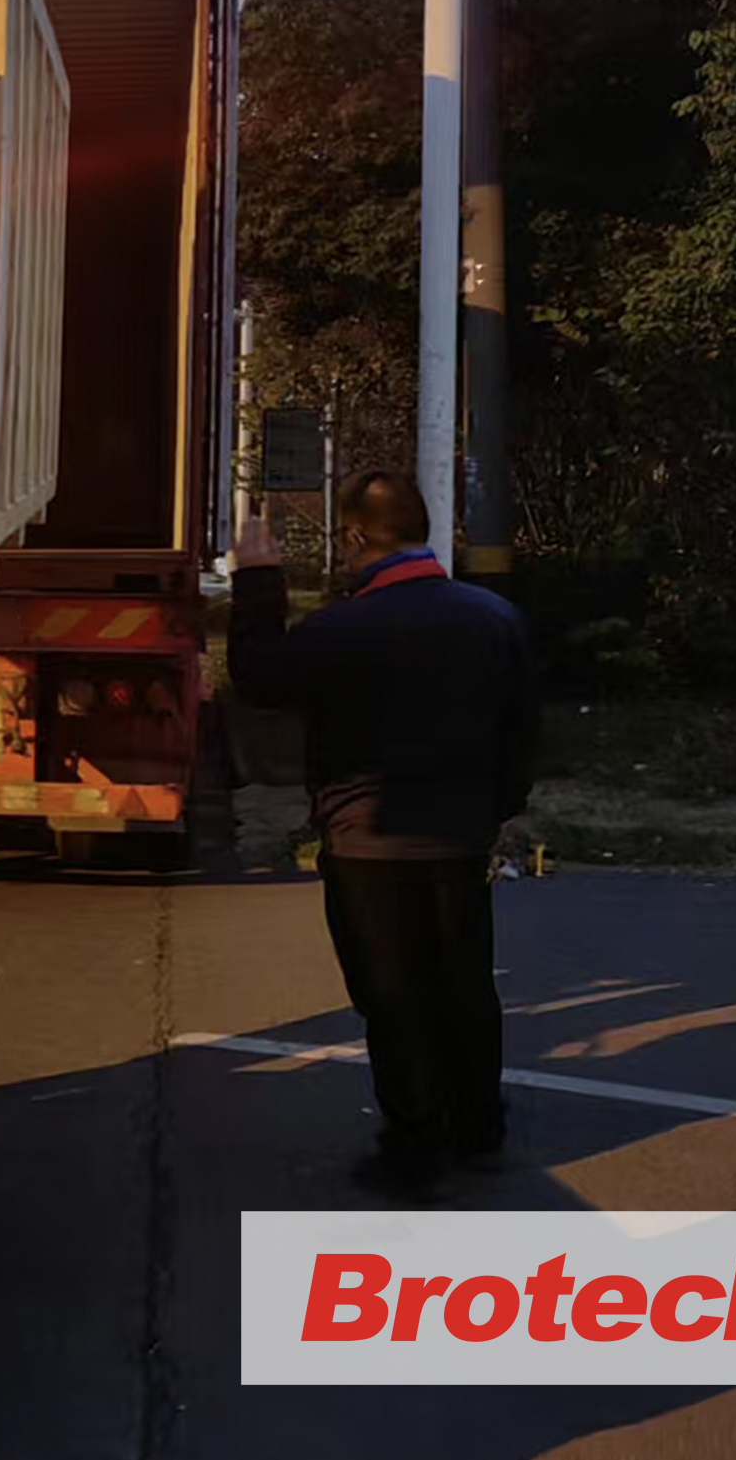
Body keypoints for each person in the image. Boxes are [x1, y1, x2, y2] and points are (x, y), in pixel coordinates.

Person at [228, 471, 539, 1199]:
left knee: (393, 995)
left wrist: (259, 581)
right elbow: (522, 729)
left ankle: (416, 1146)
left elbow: (260, 679)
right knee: (465, 985)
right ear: (424, 531)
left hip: (365, 839)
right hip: (458, 839)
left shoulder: (340, 629)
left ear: (355, 537)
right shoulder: (492, 618)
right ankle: (479, 1130)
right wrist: (494, 809)